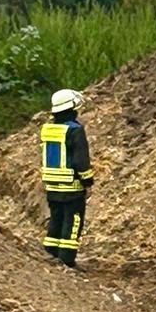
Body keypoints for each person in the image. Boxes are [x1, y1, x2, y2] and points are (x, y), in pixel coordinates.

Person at [40, 89, 94, 266]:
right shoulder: (75, 131)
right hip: (72, 188)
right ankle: (67, 260)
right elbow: (80, 161)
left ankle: (51, 255)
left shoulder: (48, 129)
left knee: (56, 220)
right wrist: (87, 181)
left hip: (52, 186)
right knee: (72, 223)